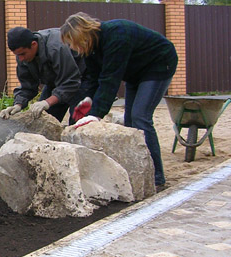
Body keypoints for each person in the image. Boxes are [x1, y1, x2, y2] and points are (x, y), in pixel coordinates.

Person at [59, 12, 178, 187]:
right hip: (134, 72)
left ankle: (156, 177)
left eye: (72, 42)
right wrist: (88, 100)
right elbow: (93, 78)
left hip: (158, 64)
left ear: (81, 36)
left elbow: (110, 79)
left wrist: (96, 115)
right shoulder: (90, 49)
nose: (72, 48)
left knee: (140, 117)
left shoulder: (117, 35)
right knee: (130, 122)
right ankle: (139, 171)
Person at [0, 27, 83, 123]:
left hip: (82, 80)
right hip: (55, 82)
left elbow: (71, 82)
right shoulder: (23, 57)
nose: (20, 59)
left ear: (34, 44)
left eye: (22, 54)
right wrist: (18, 104)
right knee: (42, 120)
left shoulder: (56, 47)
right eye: (17, 55)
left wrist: (47, 102)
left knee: (78, 123)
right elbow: (28, 86)